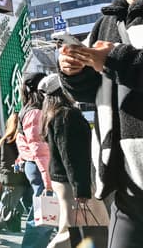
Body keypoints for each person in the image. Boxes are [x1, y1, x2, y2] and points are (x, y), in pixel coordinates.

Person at [59, 0, 143, 245]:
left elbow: (115, 63)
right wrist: (73, 72)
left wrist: (113, 58)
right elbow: (89, 94)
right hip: (126, 187)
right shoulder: (105, 23)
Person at [39, 74, 108, 247]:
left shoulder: (52, 114)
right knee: (93, 225)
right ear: (63, 90)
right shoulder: (67, 115)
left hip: (63, 180)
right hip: (73, 182)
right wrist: (81, 190)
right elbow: (71, 155)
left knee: (70, 228)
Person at [16, 72, 55, 247]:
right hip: (41, 167)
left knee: (43, 215)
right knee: (44, 218)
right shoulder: (35, 112)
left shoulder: (28, 110)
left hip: (36, 165)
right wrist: (47, 179)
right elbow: (40, 148)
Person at [0, 114, 28, 244]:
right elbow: (2, 164)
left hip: (22, 179)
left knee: (16, 206)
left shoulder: (20, 139)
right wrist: (8, 182)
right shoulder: (7, 141)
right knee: (6, 206)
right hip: (14, 180)